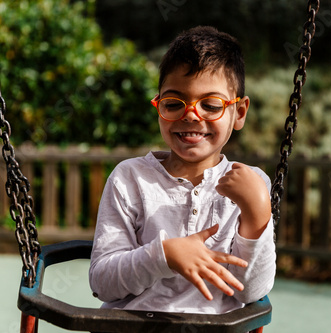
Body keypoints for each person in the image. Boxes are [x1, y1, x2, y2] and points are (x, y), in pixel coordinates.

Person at [89, 26, 276, 314]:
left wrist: (256, 214)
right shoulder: (130, 178)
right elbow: (102, 282)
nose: (190, 114)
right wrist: (163, 256)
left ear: (239, 113)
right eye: (174, 103)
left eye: (211, 105)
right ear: (159, 105)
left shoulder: (252, 185)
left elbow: (251, 292)